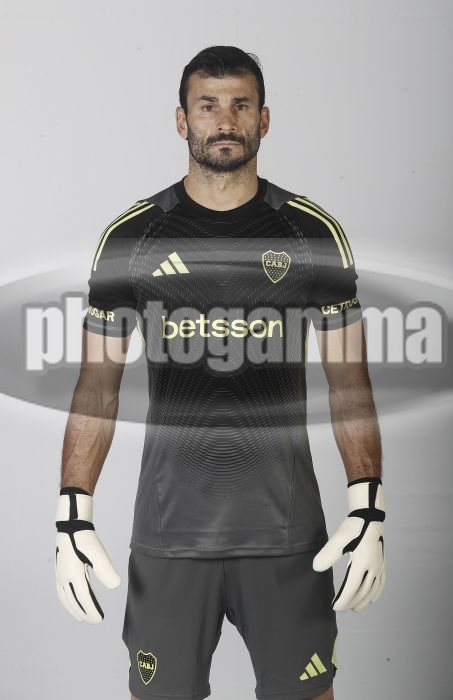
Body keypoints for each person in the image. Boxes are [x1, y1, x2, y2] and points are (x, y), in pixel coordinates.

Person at [55, 46, 385, 700]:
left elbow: (349, 383)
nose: (224, 120)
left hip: (286, 535)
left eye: (240, 105)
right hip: (170, 535)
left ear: (265, 119)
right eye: (207, 106)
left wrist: (368, 505)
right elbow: (97, 388)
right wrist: (72, 513)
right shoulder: (133, 239)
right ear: (182, 120)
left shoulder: (310, 232)